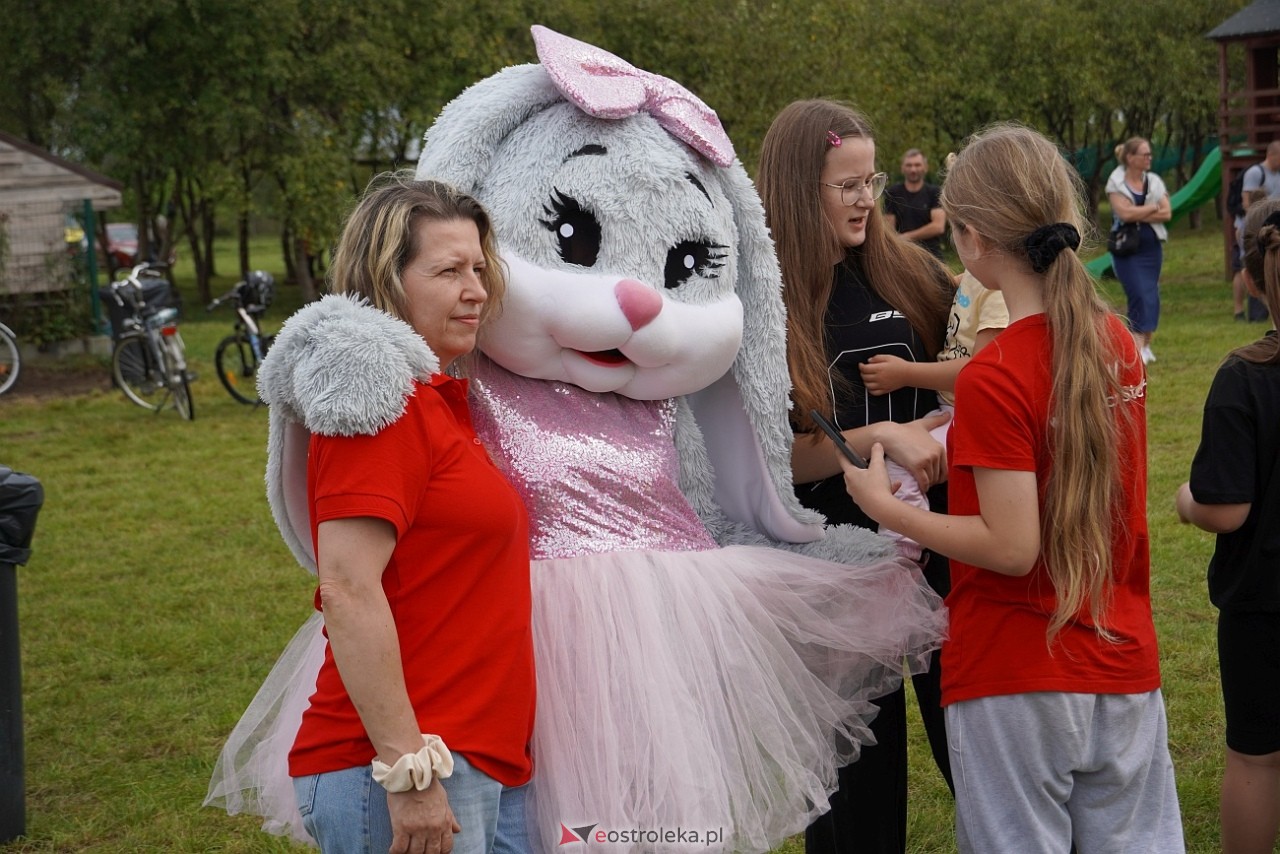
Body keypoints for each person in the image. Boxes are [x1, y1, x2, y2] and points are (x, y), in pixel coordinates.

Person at [840, 122, 1184, 853]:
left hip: (1016, 678)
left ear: (970, 239)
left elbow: (1009, 545)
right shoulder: (1114, 341)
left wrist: (880, 506)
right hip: (1121, 668)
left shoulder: (996, 377)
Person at [286, 176, 535, 854]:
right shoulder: (377, 406)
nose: (476, 289)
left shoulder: (434, 402)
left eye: (479, 268)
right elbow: (347, 587)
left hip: (479, 758)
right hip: (403, 772)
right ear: (388, 282)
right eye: (448, 270)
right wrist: (408, 771)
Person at [757, 99, 956, 854]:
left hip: (937, 555)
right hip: (829, 574)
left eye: (869, 179)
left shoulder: (911, 274)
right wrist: (876, 436)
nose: (866, 199)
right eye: (845, 185)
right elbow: (770, 458)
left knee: (972, 755)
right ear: (795, 190)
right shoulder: (762, 309)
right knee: (856, 802)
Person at [1176, 197, 1280, 854]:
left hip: (1263, 606)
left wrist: (1187, 501)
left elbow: (1226, 508)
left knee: (1256, 759)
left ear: (1249, 281)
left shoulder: (1243, 378)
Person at [858, 268, 1008, 561]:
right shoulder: (977, 276)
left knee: (903, 466)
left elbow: (980, 371)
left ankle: (901, 555)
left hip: (966, 412)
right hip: (948, 407)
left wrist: (905, 374)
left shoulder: (997, 290)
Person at [1106, 136, 1171, 365]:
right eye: (1144, 154)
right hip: (1127, 249)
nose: (1149, 158)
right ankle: (1136, 347)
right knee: (1138, 295)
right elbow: (1124, 214)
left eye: (1149, 154)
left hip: (1151, 246)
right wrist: (1153, 207)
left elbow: (1167, 213)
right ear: (1131, 158)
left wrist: (1139, 210)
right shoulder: (1115, 183)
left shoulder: (1154, 181)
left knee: (1151, 294)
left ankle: (1146, 346)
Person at [882, 148, 946, 259]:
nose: (913, 169)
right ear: (902, 168)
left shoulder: (934, 192)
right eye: (909, 165)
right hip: (903, 255)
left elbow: (938, 226)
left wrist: (907, 237)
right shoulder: (893, 193)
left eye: (917, 165)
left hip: (931, 256)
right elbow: (889, 228)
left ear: (925, 168)